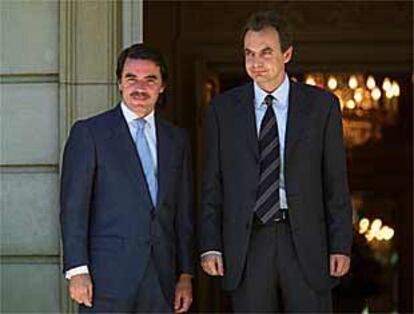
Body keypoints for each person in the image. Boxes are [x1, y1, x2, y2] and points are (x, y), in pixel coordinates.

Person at [199, 10, 353, 312]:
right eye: (249, 53)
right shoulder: (222, 109)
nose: (256, 62)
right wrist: (210, 244)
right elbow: (213, 182)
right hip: (248, 240)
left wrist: (340, 244)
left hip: (307, 239)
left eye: (266, 53)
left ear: (287, 54)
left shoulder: (321, 106)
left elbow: (335, 180)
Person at [60, 43, 194, 313]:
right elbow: (73, 207)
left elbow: (183, 212)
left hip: (162, 279)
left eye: (150, 79)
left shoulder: (177, 140)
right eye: (131, 78)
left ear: (162, 86)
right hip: (105, 279)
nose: (140, 88)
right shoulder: (90, 133)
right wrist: (77, 270)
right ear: (120, 83)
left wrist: (185, 275)